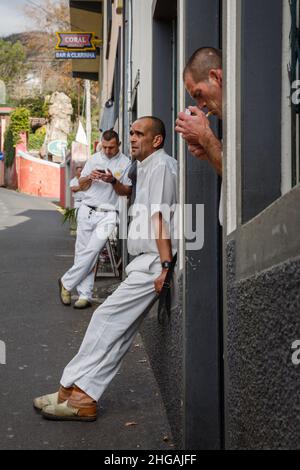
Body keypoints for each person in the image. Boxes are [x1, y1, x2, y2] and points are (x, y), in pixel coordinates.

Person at [33, 116, 177, 421]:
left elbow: (160, 217)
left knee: (104, 318)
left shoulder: (162, 166)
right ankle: (81, 397)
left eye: (140, 134)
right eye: (132, 133)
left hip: (152, 263)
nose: (133, 138)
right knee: (119, 334)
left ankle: (68, 387)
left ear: (157, 140)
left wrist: (165, 266)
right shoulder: (148, 167)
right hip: (144, 260)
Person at [59, 130, 132, 310]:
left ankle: (66, 282)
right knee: (82, 252)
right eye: (104, 147)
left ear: (119, 144)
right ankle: (85, 295)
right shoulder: (93, 159)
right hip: (87, 210)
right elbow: (80, 185)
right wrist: (90, 177)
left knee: (93, 250)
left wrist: (112, 181)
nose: (107, 151)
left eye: (111, 147)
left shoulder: (125, 162)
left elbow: (127, 191)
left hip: (108, 214)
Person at [175, 47, 223, 223]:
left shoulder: (246, 116)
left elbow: (243, 178)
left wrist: (206, 137)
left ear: (216, 77)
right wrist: (208, 151)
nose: (201, 105)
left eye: (198, 94)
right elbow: (227, 170)